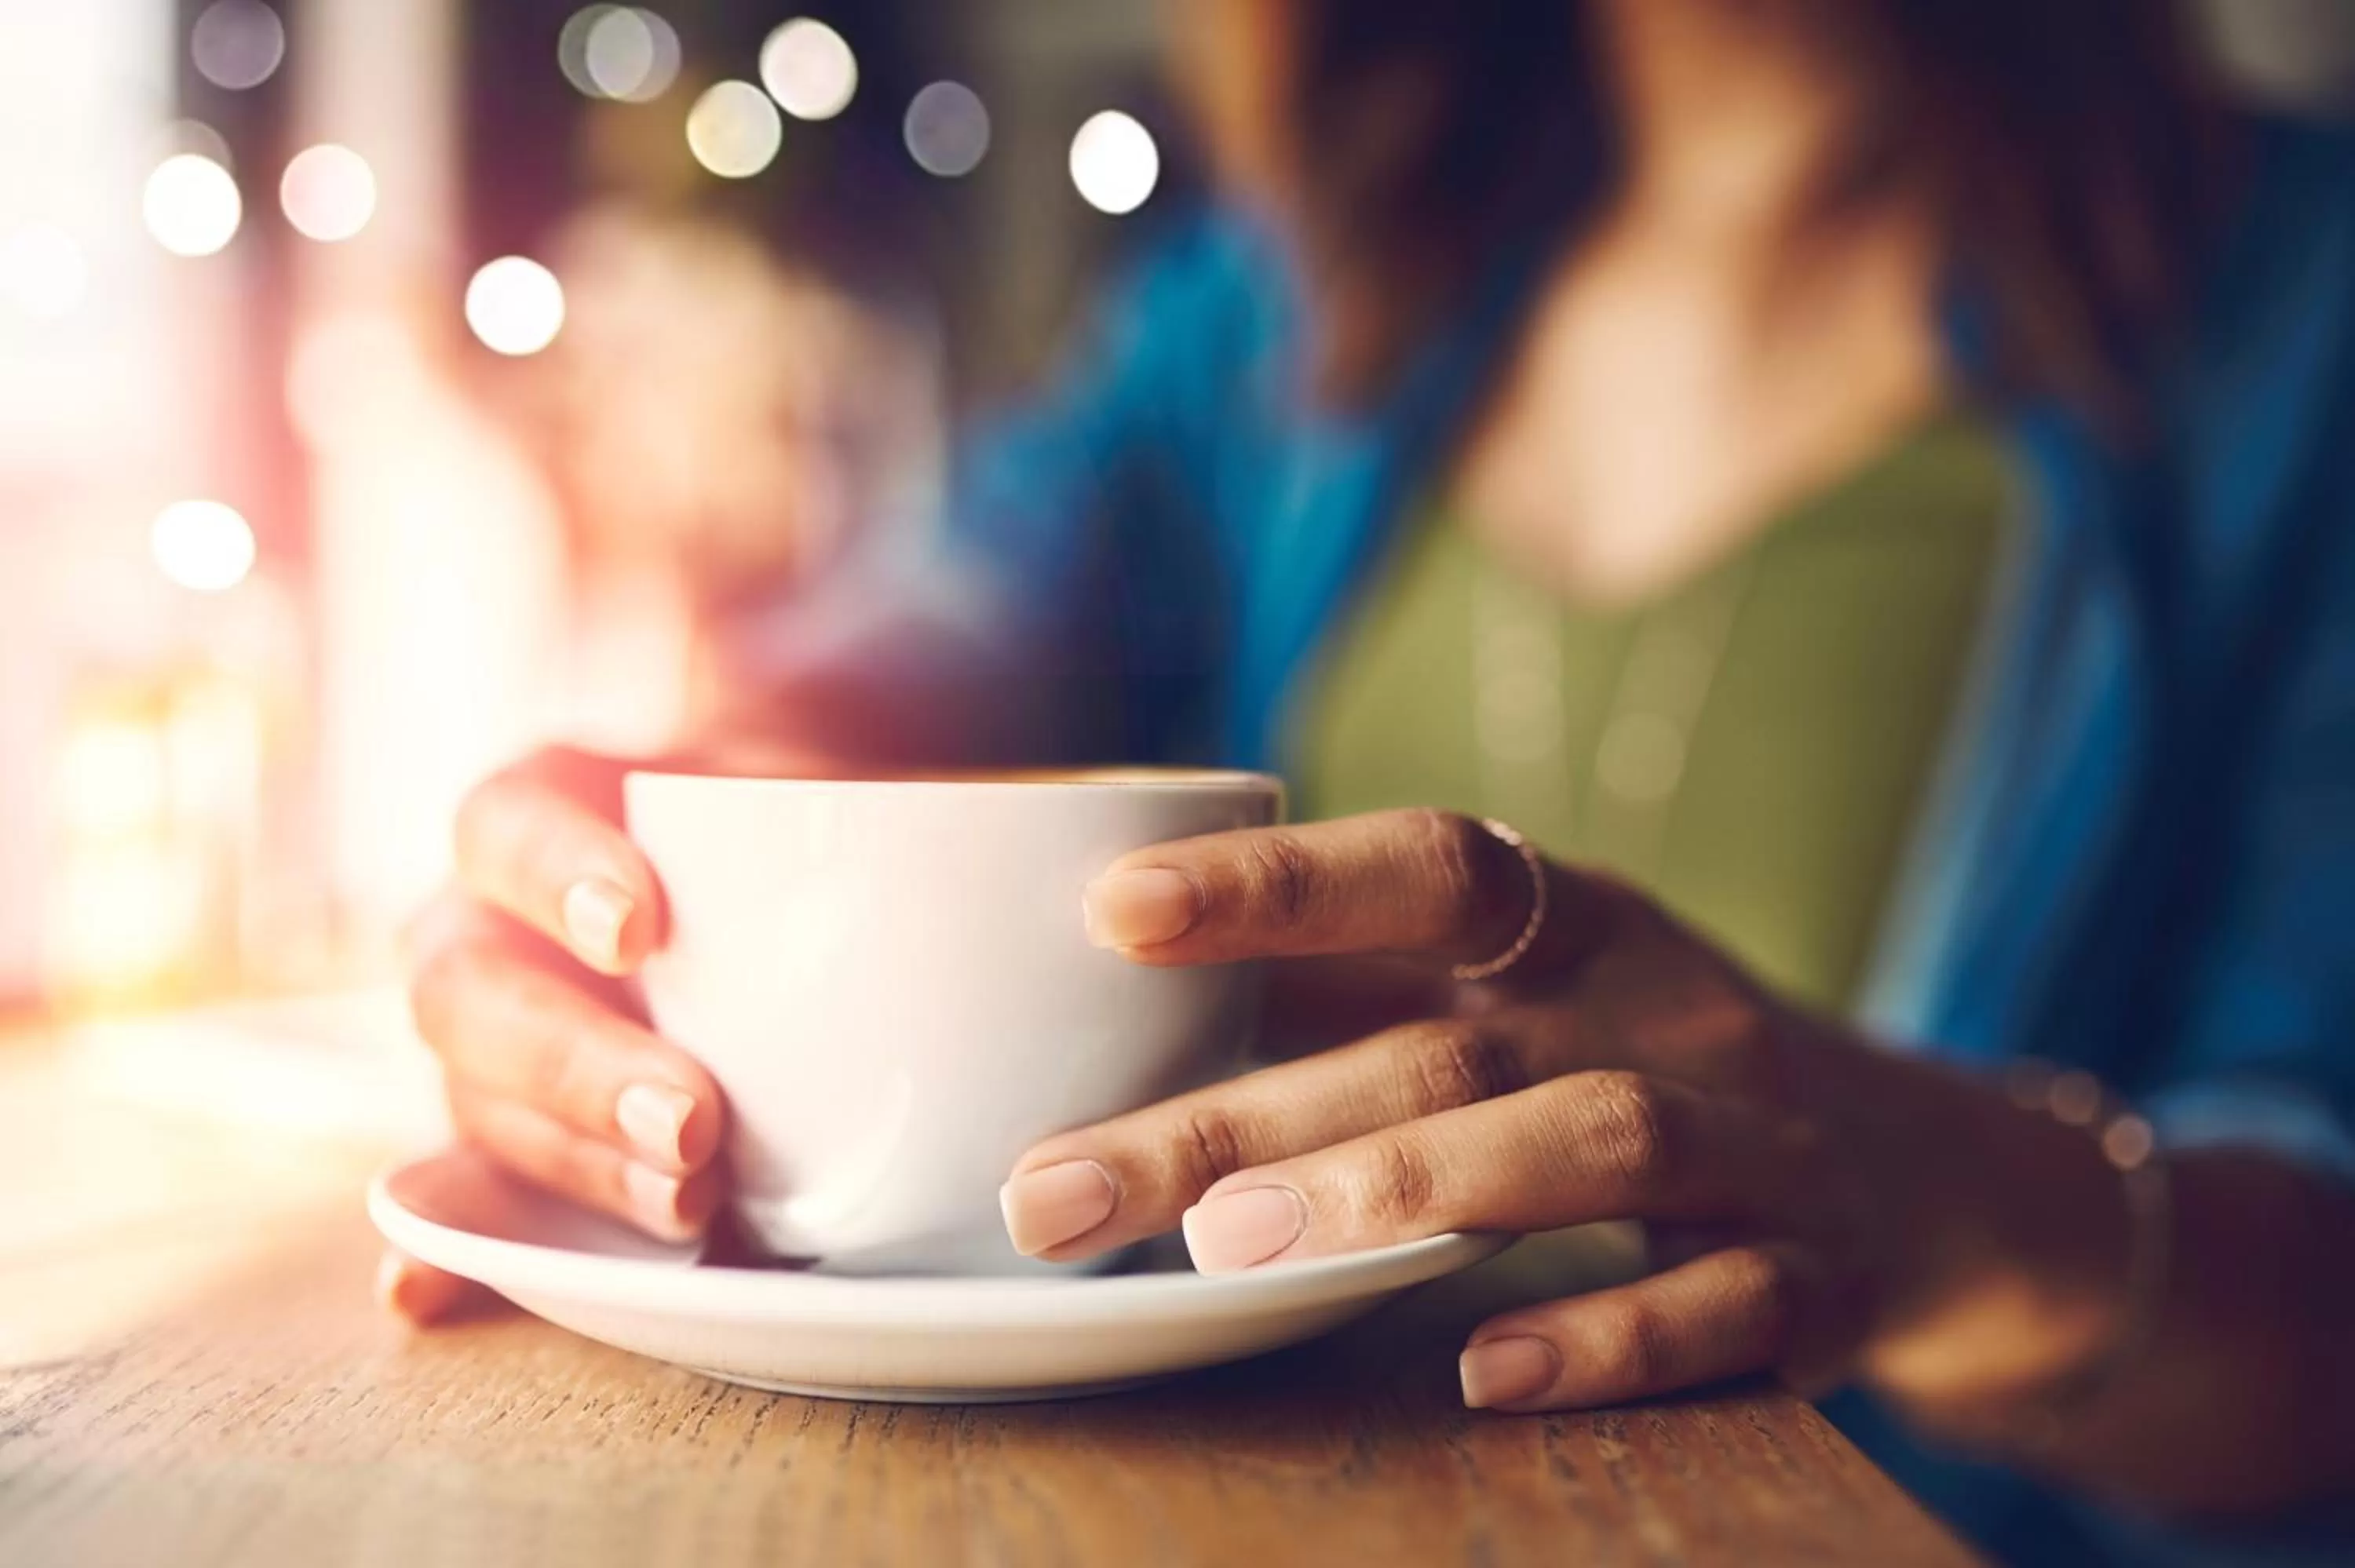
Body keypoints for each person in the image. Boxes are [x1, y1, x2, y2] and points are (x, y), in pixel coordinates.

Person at [392, 2, 2355, 1561]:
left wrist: (1931, 1197)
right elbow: (933, 636)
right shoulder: (1286, 311)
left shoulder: (2305, 321)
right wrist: (667, 819)